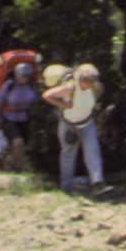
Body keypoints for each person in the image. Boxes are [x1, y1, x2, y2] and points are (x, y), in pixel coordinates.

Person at [41, 63, 112, 196]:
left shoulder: (97, 88)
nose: (87, 84)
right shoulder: (70, 87)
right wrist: (63, 104)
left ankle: (97, 183)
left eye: (90, 82)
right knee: (68, 155)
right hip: (69, 125)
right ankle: (66, 188)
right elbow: (47, 95)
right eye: (85, 81)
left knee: (93, 152)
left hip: (87, 124)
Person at [0, 62, 38, 172]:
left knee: (21, 145)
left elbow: (35, 102)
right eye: (23, 75)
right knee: (18, 142)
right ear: (16, 74)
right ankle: (16, 169)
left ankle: (10, 164)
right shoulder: (8, 85)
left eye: (27, 75)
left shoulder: (31, 86)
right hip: (9, 118)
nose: (25, 77)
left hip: (25, 118)